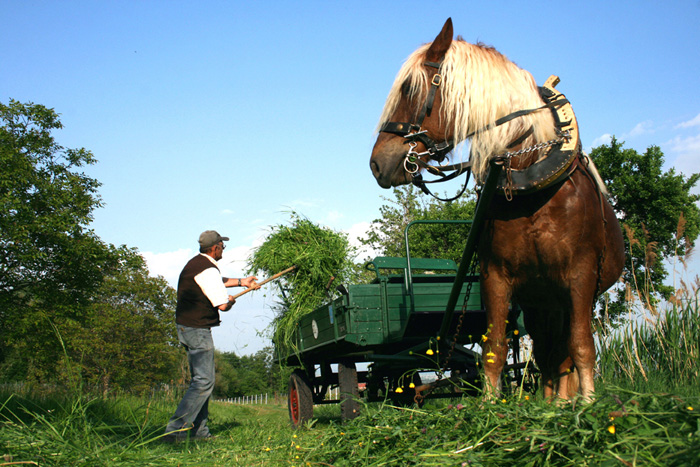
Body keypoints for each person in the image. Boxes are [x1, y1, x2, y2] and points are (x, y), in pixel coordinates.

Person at [164, 230, 259, 442]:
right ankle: (175, 430)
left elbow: (217, 280)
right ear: (215, 248)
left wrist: (243, 281)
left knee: (203, 381)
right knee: (203, 381)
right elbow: (223, 305)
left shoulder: (198, 264)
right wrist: (231, 301)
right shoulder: (207, 270)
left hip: (188, 327)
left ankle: (199, 433)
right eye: (222, 246)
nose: (223, 249)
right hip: (196, 330)